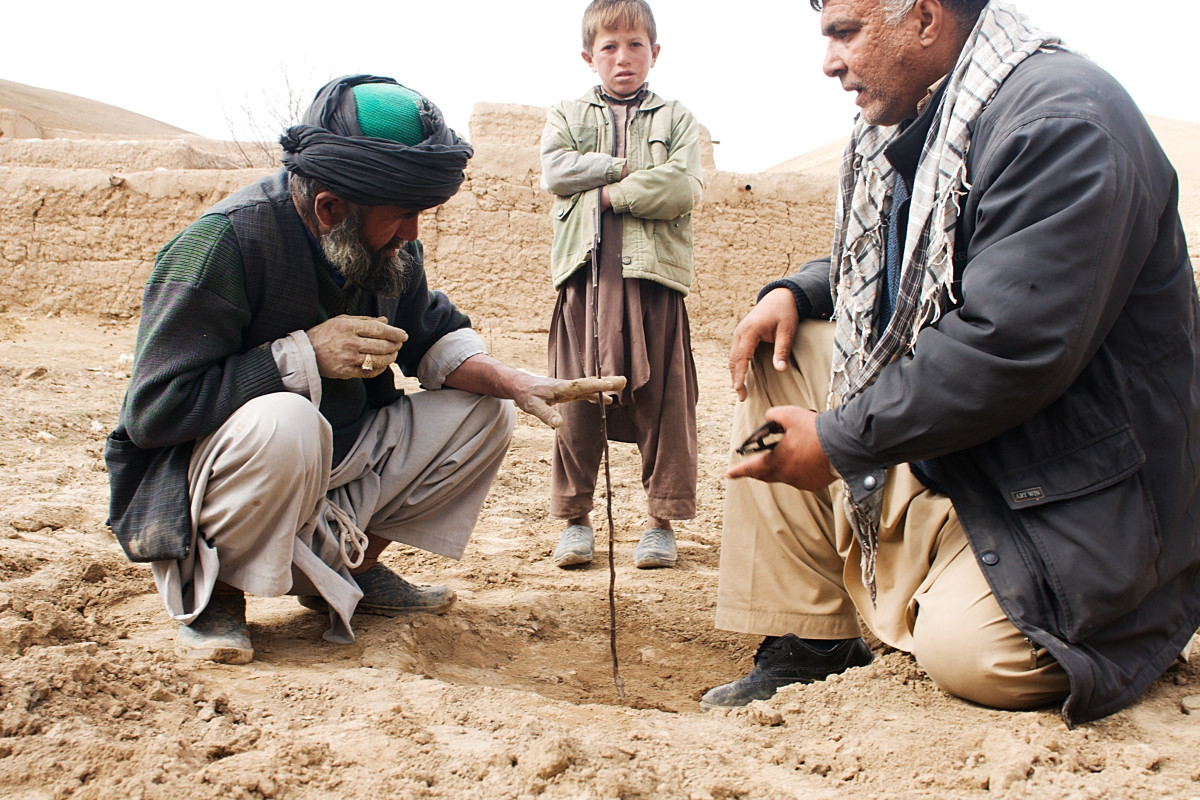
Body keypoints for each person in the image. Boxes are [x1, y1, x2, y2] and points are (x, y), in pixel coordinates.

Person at [703, 0, 1200, 726]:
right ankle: (812, 640)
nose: (830, 62)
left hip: (1079, 488)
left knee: (976, 659)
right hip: (991, 456)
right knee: (782, 352)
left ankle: (1145, 621)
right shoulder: (932, 121)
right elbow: (906, 261)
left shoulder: (1061, 125)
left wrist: (838, 442)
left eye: (845, 33)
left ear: (927, 17)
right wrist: (797, 290)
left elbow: (1009, 343)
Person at [105, 74, 624, 664]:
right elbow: (152, 411)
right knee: (288, 420)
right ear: (330, 208)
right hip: (225, 470)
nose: (413, 233)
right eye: (403, 216)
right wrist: (301, 358)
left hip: (333, 455)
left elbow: (431, 335)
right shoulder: (226, 243)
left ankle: (350, 571)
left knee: (485, 413)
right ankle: (219, 597)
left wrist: (518, 382)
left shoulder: (385, 248)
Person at [540, 0, 704, 570]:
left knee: (663, 399)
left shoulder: (677, 117)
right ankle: (576, 522)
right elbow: (556, 172)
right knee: (576, 400)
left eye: (635, 44)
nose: (623, 57)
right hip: (584, 281)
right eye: (609, 46)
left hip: (653, 280)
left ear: (654, 52)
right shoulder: (564, 113)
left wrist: (607, 193)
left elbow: (681, 187)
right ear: (590, 57)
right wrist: (624, 166)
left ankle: (659, 522)